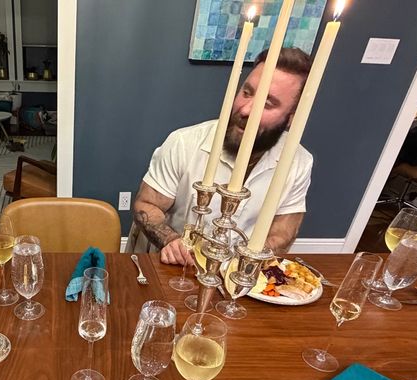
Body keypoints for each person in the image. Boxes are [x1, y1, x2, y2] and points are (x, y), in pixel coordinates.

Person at [131, 48, 314, 263]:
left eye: (267, 104)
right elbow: (146, 205)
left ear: (292, 117)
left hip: (239, 276)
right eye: (247, 92)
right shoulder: (184, 143)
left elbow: (283, 232)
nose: (246, 110)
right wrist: (171, 241)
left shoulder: (298, 162)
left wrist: (244, 262)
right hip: (175, 268)